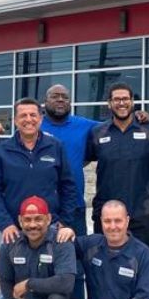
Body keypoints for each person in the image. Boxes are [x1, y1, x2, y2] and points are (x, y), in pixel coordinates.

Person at [0, 98, 80, 299]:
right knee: (8, 286)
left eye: (33, 115)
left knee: (54, 287)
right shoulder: (2, 150)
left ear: (41, 118)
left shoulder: (55, 147)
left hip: (49, 228)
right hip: (14, 230)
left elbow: (68, 186)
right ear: (15, 120)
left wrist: (64, 221)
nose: (28, 119)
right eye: (23, 115)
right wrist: (6, 224)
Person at [40, 84, 99, 234]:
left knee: (77, 254)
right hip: (41, 207)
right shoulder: (35, 126)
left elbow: (115, 126)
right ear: (45, 102)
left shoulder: (84, 125)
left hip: (75, 206)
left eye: (65, 97)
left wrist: (139, 118)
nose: (60, 100)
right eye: (55, 96)